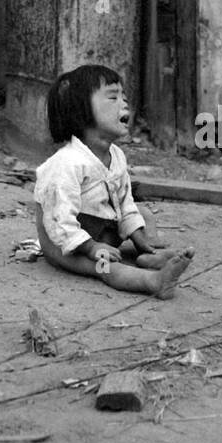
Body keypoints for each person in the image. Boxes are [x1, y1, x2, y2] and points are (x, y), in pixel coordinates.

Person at [34, 64, 194, 297]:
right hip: (66, 244)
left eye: (124, 97)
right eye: (113, 97)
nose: (124, 103)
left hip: (103, 229)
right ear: (81, 110)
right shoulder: (66, 163)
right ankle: (154, 281)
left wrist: (138, 238)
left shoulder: (116, 155)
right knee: (105, 267)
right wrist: (90, 247)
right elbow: (60, 219)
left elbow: (124, 202)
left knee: (142, 215)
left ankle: (147, 255)